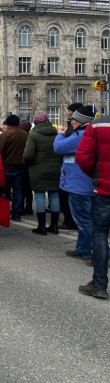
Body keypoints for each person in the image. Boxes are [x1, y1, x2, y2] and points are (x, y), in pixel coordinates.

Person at [54, 106, 96, 261]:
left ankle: (103, 251)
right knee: (84, 220)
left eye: (73, 119)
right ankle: (83, 249)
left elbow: (58, 148)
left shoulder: (81, 135)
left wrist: (60, 135)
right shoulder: (89, 134)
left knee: (84, 221)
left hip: (79, 185)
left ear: (78, 121)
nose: (70, 121)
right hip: (86, 183)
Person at [76, 110, 110, 299]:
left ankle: (99, 284)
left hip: (105, 190)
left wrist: (97, 178)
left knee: (100, 235)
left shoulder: (98, 125)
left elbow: (84, 157)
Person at [23, 113, 62, 235]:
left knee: (39, 196)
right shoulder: (56, 134)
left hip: (38, 169)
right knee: (54, 195)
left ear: (36, 123)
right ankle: (54, 226)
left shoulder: (34, 135)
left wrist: (25, 162)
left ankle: (41, 227)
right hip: (55, 168)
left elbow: (28, 155)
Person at [0, 114, 29, 221]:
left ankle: (4, 211)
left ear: (8, 124)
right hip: (21, 166)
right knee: (18, 190)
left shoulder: (5, 135)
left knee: (4, 190)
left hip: (6, 167)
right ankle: (17, 213)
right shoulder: (25, 135)